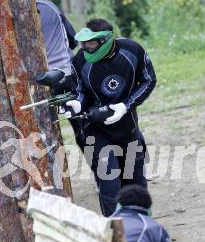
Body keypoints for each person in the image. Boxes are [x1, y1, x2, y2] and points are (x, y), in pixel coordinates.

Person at [64, 18, 156, 216]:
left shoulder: (132, 52)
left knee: (135, 182)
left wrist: (126, 106)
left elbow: (148, 80)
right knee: (109, 182)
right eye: (83, 44)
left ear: (105, 40)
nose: (86, 49)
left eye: (91, 44)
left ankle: (142, 226)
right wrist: (77, 103)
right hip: (94, 129)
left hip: (127, 127)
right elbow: (79, 90)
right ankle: (115, 233)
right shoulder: (80, 61)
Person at [36, 0, 84, 148]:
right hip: (66, 73)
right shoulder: (47, 6)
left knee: (43, 136)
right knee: (84, 128)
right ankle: (104, 169)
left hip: (35, 83)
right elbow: (72, 40)